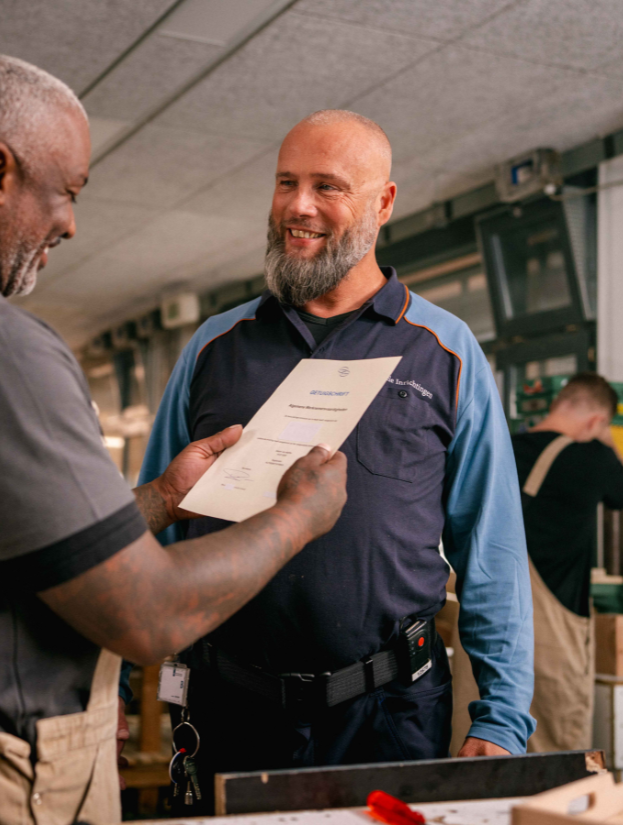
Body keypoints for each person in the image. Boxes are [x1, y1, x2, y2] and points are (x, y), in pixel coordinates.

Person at [0, 54, 347, 825]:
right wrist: (297, 517)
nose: (71, 223)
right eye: (67, 193)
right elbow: (146, 616)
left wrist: (159, 498)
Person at [139, 109, 535, 808]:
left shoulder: (442, 351)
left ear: (382, 203)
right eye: (285, 182)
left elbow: (491, 548)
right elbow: (154, 520)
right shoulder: (214, 347)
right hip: (228, 709)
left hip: (390, 715)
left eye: (327, 186)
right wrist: (124, 685)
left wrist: (502, 715)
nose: (297, 206)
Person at [512, 373, 623, 752]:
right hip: (555, 623)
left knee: (484, 740)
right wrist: (609, 441)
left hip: (489, 610)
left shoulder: (503, 446)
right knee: (554, 742)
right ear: (596, 420)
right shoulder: (594, 457)